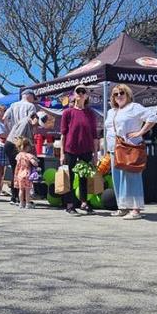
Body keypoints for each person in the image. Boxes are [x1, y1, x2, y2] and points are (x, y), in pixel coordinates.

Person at [105, 84, 157, 220]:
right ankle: (123, 207)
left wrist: (140, 132)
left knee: (132, 178)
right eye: (115, 94)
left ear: (128, 94)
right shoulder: (112, 111)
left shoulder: (134, 107)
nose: (118, 96)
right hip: (114, 149)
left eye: (121, 93)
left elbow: (152, 117)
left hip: (130, 147)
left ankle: (136, 209)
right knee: (118, 180)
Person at [60, 85, 99, 216]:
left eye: (84, 92)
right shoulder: (68, 113)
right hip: (70, 149)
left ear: (87, 96)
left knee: (84, 177)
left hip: (86, 149)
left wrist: (95, 154)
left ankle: (84, 203)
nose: (81, 93)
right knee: (70, 177)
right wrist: (61, 153)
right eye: (79, 91)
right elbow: (63, 134)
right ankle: (69, 205)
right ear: (74, 94)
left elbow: (94, 135)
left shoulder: (90, 113)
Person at [4, 111, 48, 205]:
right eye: (37, 123)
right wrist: (23, 154)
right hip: (13, 146)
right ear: (35, 117)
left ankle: (20, 197)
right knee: (18, 171)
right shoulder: (25, 123)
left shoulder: (29, 124)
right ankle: (16, 197)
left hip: (17, 147)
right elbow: (18, 140)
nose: (37, 126)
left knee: (19, 172)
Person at [14, 137, 39, 209]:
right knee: (27, 190)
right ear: (27, 147)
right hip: (27, 174)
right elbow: (34, 163)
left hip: (19, 174)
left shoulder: (18, 155)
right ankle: (28, 203)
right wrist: (36, 163)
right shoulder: (29, 155)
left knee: (21, 190)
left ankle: (21, 203)